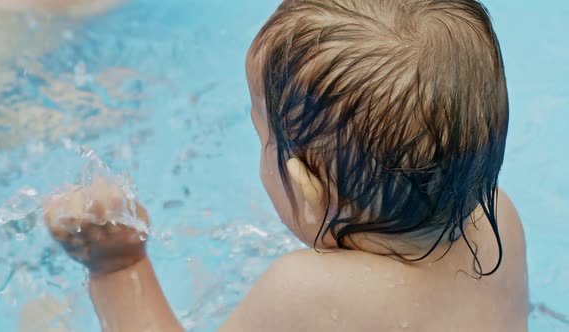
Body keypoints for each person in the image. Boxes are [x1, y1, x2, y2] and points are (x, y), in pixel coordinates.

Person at [43, 0, 529, 331]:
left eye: (262, 134)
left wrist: (117, 267)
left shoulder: (305, 291)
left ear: (310, 195)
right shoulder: (496, 219)